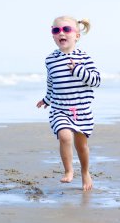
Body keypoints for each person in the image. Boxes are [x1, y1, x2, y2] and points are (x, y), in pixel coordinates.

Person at [36, 16, 101, 191]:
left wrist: (78, 70)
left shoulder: (84, 58)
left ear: (77, 36)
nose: (61, 33)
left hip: (82, 111)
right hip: (59, 109)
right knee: (64, 136)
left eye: (66, 30)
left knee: (82, 146)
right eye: (56, 30)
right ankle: (68, 171)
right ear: (53, 36)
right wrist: (47, 99)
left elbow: (96, 80)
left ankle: (85, 171)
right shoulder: (50, 60)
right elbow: (51, 84)